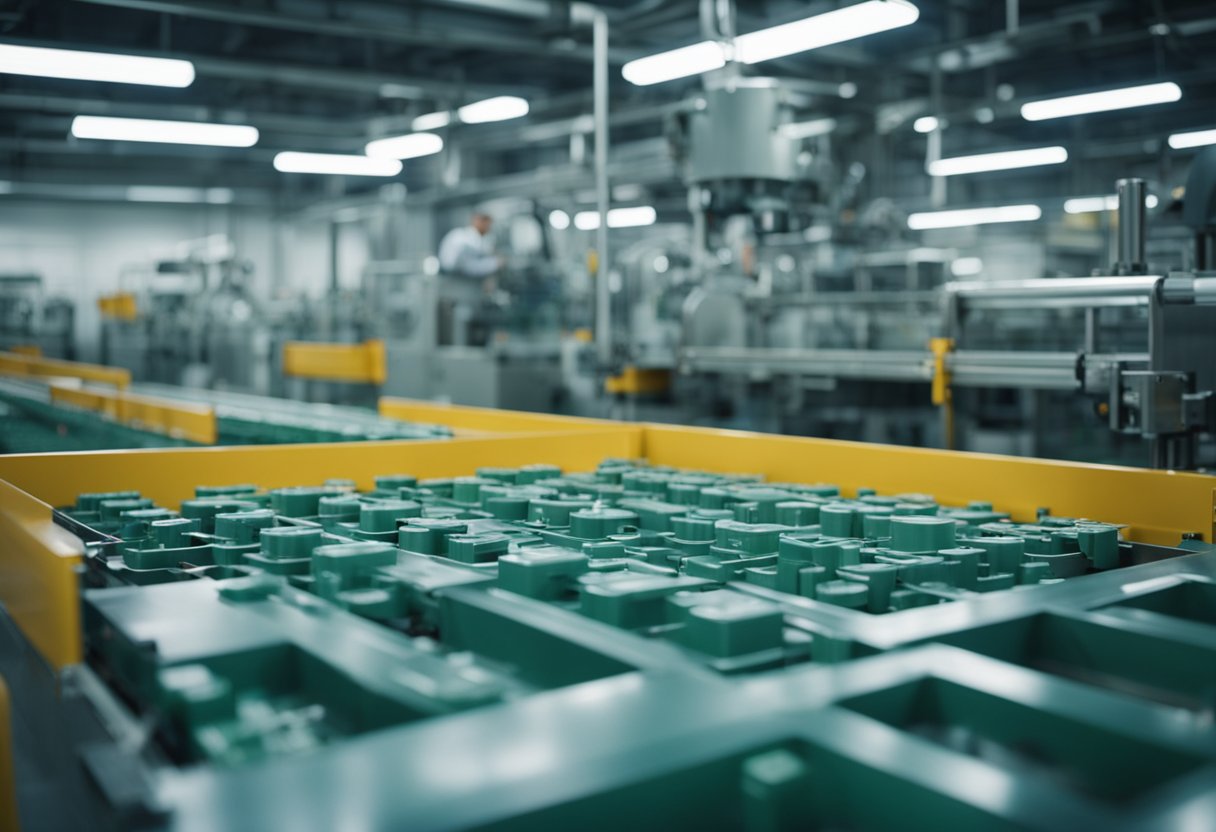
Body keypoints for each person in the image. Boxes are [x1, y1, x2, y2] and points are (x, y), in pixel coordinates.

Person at [438, 211, 502, 278]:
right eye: (488, 224)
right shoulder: (462, 239)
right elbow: (469, 267)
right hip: (457, 281)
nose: (489, 228)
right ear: (478, 221)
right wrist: (495, 263)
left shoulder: (472, 238)